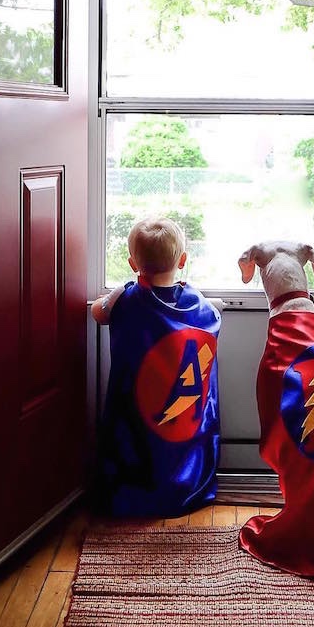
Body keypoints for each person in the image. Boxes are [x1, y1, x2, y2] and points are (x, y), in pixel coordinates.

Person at [91, 216, 222, 517]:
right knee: (182, 443)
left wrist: (112, 296)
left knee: (135, 445)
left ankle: (139, 494)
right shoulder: (196, 302)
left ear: (132, 263)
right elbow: (214, 317)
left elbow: (99, 313)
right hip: (182, 419)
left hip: (140, 412)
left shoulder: (126, 299)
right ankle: (185, 489)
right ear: (183, 260)